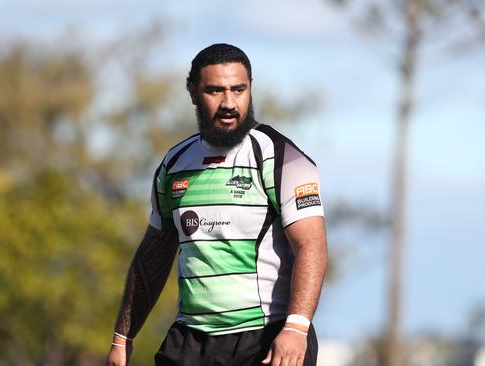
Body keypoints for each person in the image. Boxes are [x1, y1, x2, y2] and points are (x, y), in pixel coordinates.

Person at [105, 43, 327, 366]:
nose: (229, 103)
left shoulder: (282, 158)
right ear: (193, 92)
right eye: (215, 91)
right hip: (190, 343)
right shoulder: (174, 165)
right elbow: (153, 257)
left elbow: (312, 244)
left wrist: (296, 327)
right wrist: (122, 338)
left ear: (251, 89)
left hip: (265, 338)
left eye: (239, 90)